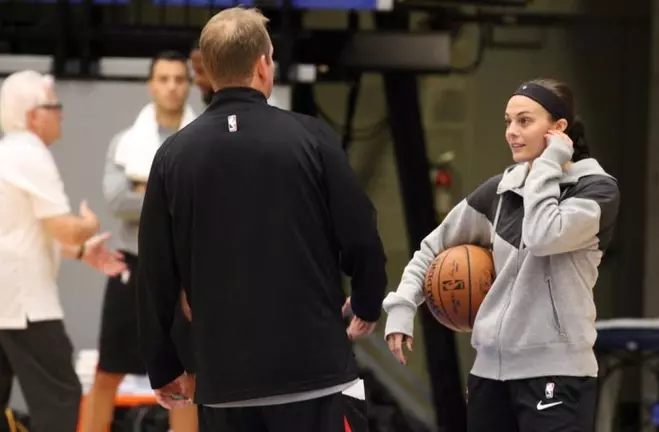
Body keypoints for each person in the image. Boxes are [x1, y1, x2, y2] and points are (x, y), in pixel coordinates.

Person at [136, 7, 387, 432]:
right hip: (318, 378)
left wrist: (162, 362)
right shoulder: (312, 138)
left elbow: (155, 271)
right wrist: (367, 298)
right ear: (262, 65)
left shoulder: (173, 157)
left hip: (225, 387)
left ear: (207, 72)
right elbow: (361, 233)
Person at [383, 78, 620, 431]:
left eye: (524, 121)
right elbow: (432, 247)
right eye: (508, 122)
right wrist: (402, 305)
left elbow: (543, 234)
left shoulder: (596, 190)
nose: (512, 131)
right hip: (489, 374)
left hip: (558, 372)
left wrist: (547, 166)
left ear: (559, 129)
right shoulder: (499, 191)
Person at [0, 70, 127, 432]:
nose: (62, 114)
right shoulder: (29, 152)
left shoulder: (7, 152)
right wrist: (85, 226)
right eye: (55, 106)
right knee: (61, 395)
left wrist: (82, 249)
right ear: (32, 116)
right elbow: (61, 227)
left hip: (7, 299)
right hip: (25, 303)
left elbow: (28, 232)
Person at [80, 50, 199, 432]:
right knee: (107, 372)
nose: (171, 86)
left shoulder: (202, 137)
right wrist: (175, 192)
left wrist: (145, 185)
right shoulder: (126, 141)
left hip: (186, 272)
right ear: (150, 84)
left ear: (189, 84)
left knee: (187, 376)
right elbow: (118, 200)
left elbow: (208, 200)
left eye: (179, 79)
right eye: (163, 78)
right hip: (133, 263)